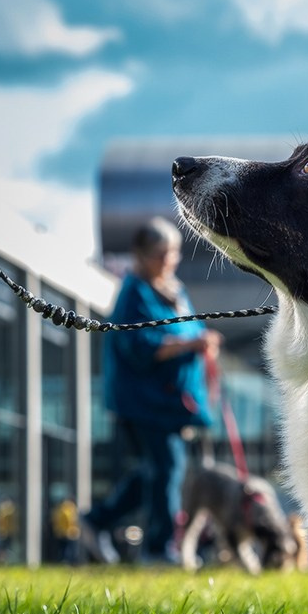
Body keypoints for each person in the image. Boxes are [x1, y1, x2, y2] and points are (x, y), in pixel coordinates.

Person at [83, 216, 221, 564]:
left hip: (173, 401)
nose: (169, 260)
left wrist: (204, 343)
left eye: (173, 252)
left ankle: (96, 520)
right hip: (145, 400)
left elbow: (190, 332)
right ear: (141, 256)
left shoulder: (174, 289)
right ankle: (160, 549)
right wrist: (189, 345)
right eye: (161, 253)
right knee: (167, 468)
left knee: (155, 471)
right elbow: (140, 346)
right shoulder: (134, 292)